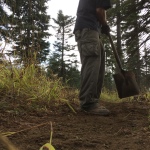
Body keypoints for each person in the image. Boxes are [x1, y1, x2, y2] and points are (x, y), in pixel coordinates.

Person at [73, 0, 112, 116]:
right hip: (88, 30)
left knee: (98, 64)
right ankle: (88, 103)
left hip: (90, 30)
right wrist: (104, 24)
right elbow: (99, 10)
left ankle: (92, 100)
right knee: (92, 64)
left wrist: (102, 26)